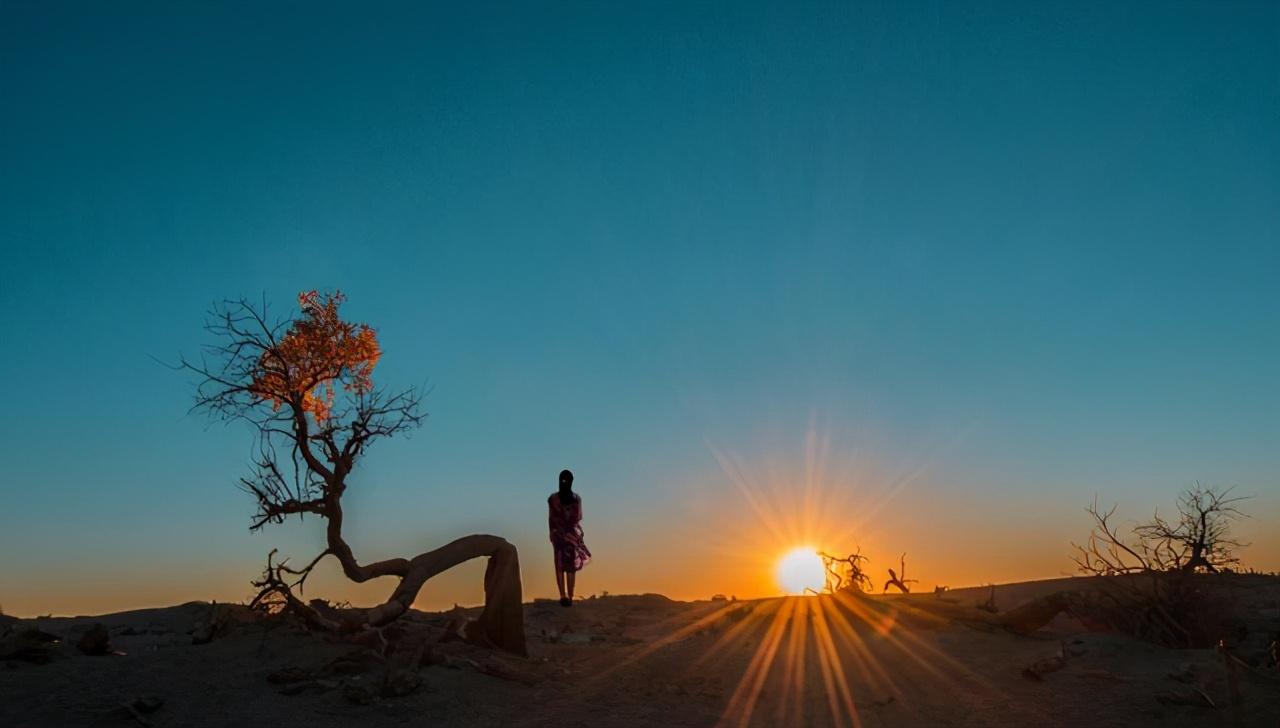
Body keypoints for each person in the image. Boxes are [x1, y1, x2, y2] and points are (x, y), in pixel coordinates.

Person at [548, 469, 591, 607]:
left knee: (563, 564)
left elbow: (552, 518)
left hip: (562, 534)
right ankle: (567, 596)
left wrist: (554, 531)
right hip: (566, 534)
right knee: (566, 565)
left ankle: (565, 596)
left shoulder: (555, 499)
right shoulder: (572, 499)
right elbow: (577, 517)